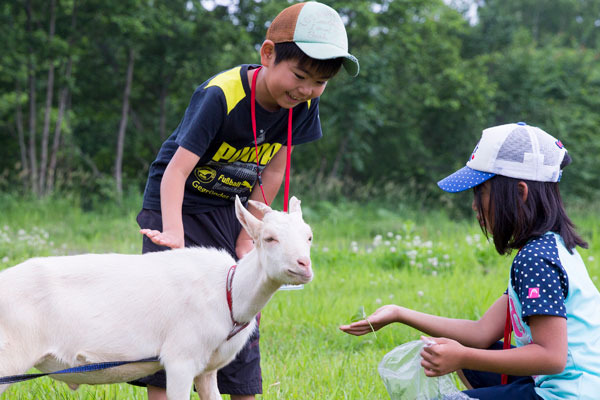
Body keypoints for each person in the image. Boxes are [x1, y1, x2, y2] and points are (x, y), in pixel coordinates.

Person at [132, 2, 359, 399]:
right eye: (301, 75)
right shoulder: (220, 96)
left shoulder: (302, 106)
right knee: (172, 311)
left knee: (240, 307)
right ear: (268, 54)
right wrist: (173, 233)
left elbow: (273, 171)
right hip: (177, 203)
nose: (307, 89)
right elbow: (175, 171)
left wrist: (247, 235)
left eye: (320, 82)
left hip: (230, 208)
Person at [340, 123, 600, 399]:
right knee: (468, 351)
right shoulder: (552, 247)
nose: (475, 205)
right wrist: (399, 313)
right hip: (564, 385)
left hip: (569, 394)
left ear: (520, 193)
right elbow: (481, 333)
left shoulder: (536, 260)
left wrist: (462, 357)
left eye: (482, 191)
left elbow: (551, 357)